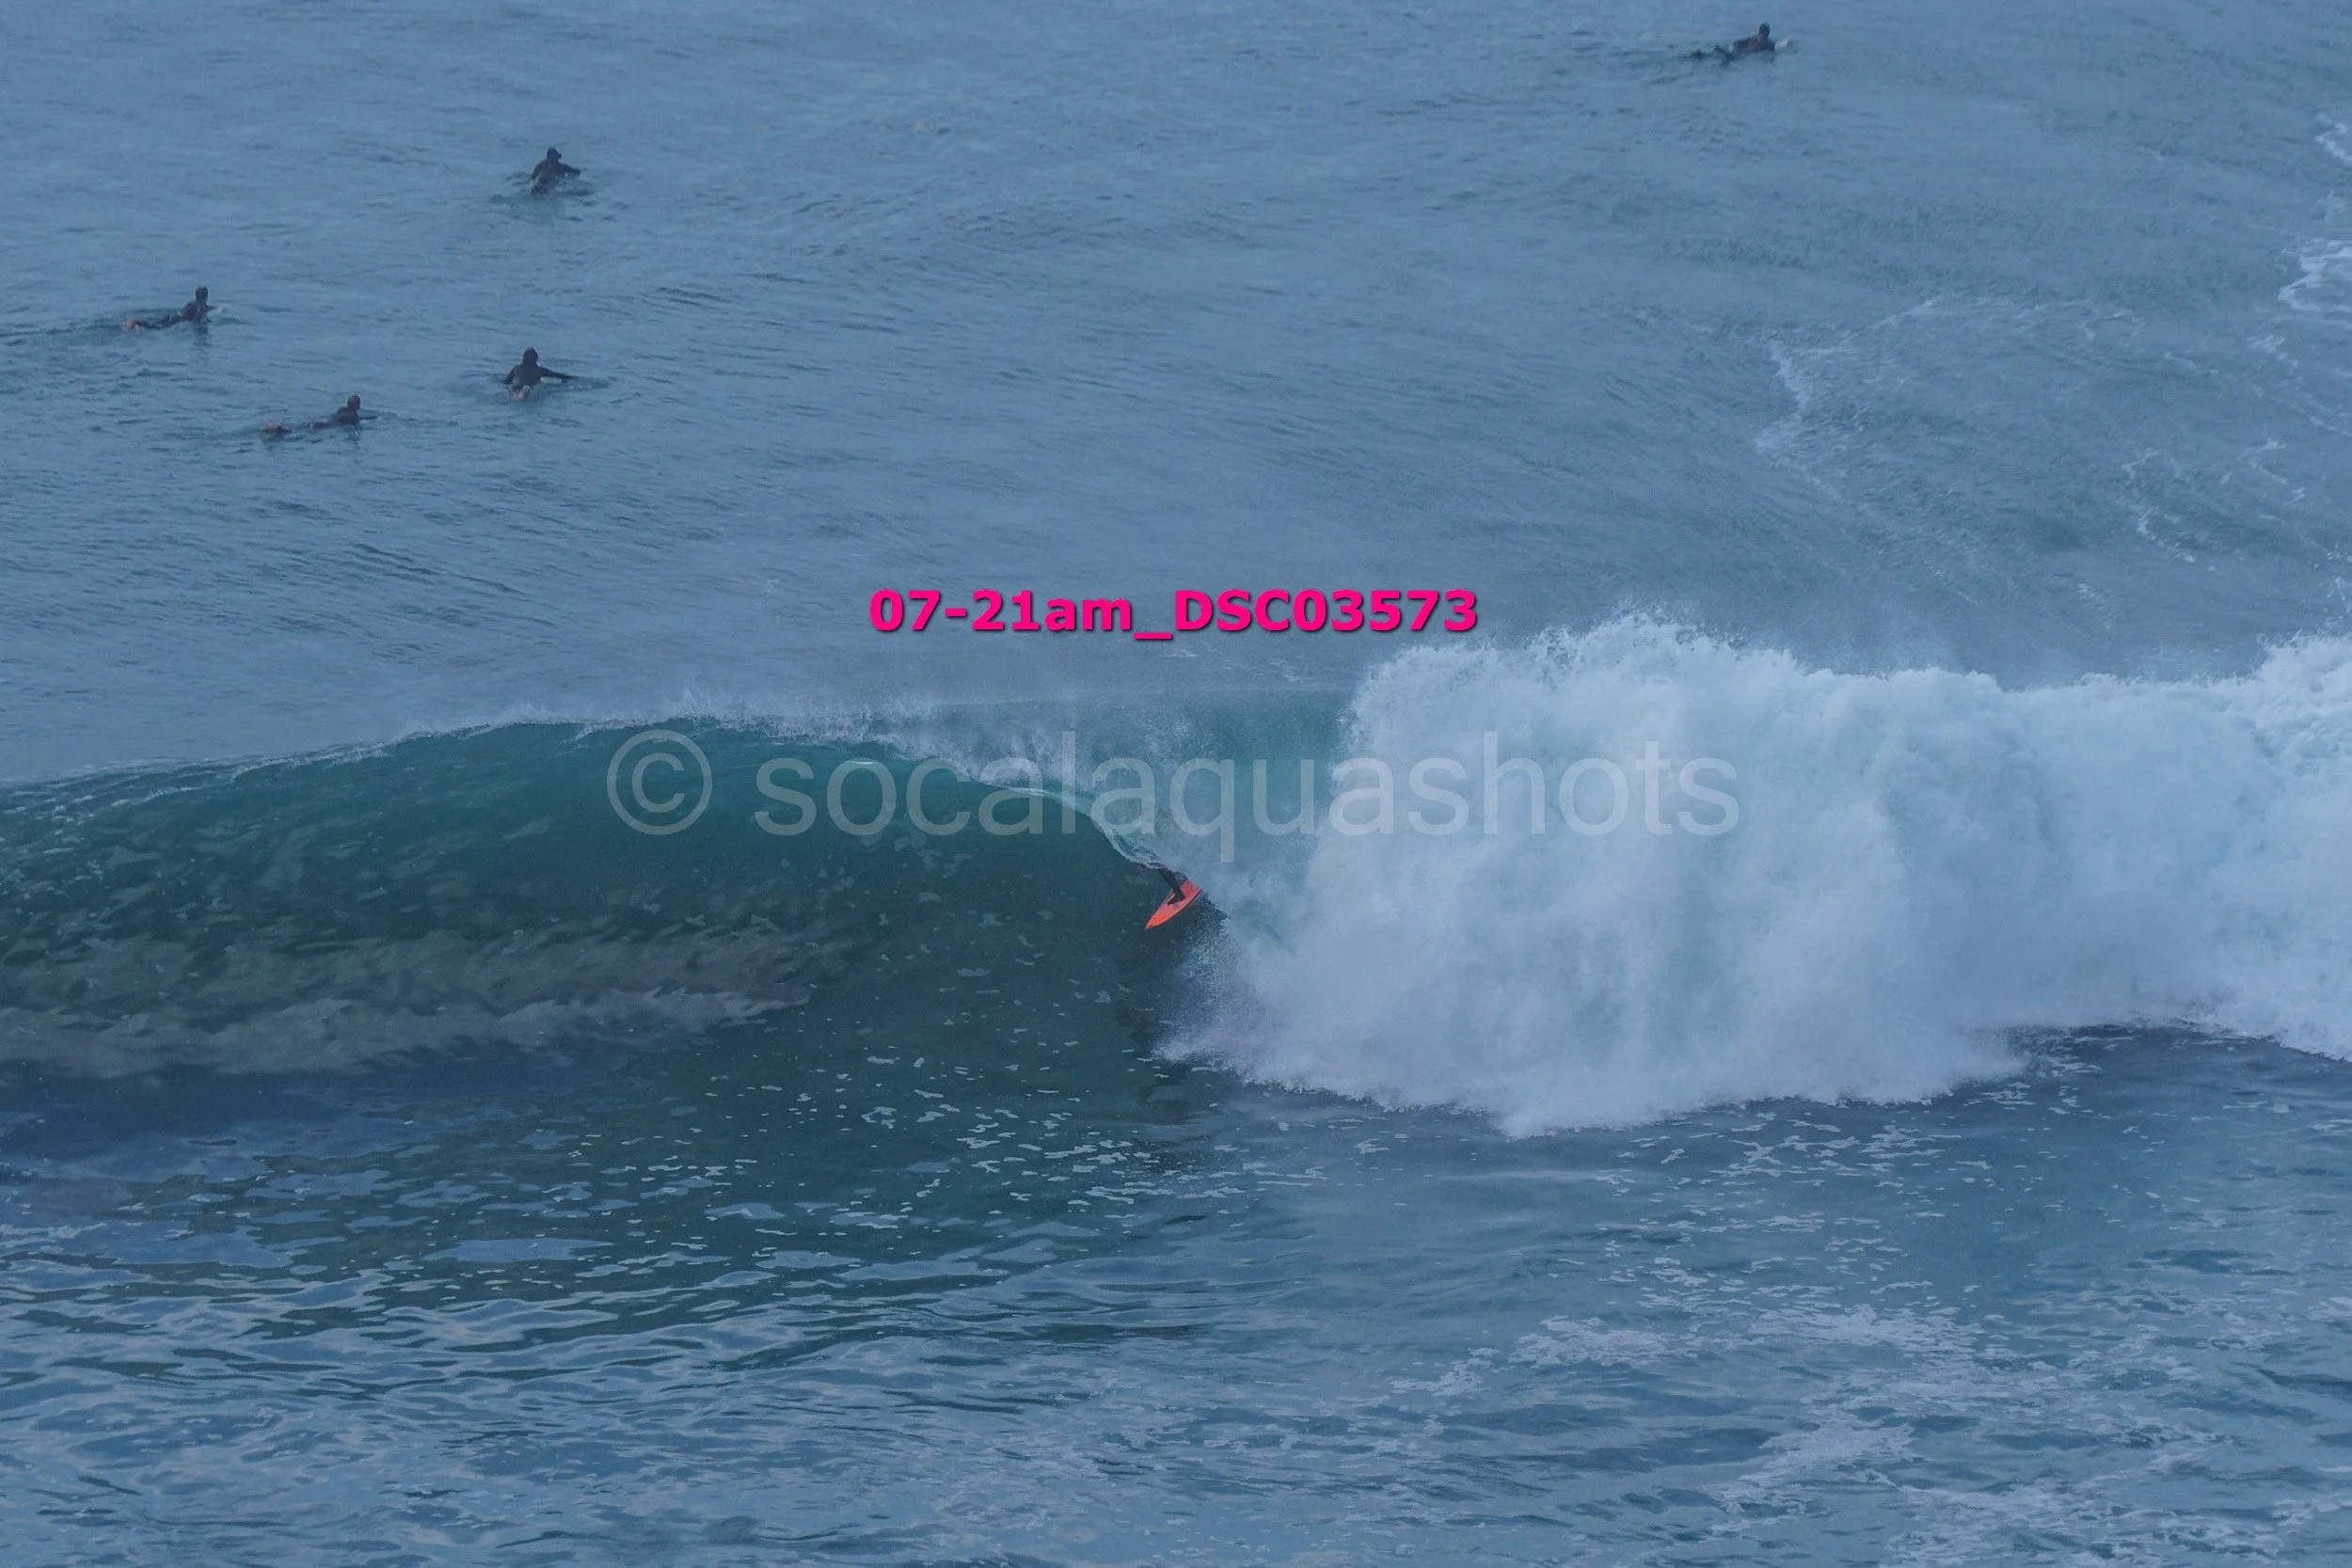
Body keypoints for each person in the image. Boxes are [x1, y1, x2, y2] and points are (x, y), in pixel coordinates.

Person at [262, 395, 370, 436]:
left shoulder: (341, 409)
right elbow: (356, 423)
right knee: (298, 432)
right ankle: (279, 429)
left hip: (322, 422)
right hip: (326, 427)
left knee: (300, 428)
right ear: (357, 405)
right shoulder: (354, 417)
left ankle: (278, 428)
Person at [129, 286, 210, 330]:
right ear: (206, 296)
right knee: (157, 327)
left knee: (156, 324)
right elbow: (199, 315)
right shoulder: (202, 305)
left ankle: (137, 323)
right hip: (178, 320)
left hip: (173, 316)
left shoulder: (191, 303)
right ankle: (137, 324)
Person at [502, 347, 574, 392]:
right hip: (529, 389)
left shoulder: (516, 368)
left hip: (515, 388)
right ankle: (524, 391)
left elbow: (506, 382)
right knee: (527, 389)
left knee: (516, 391)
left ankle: (520, 393)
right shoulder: (539, 370)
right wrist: (570, 378)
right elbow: (557, 375)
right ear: (535, 359)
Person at [1692, 24, 1774, 60]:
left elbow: (1737, 43)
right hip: (1742, 54)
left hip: (1740, 52)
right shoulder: (1769, 43)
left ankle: (1702, 55)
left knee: (1718, 55)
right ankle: (1704, 55)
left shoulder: (1754, 39)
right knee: (1726, 56)